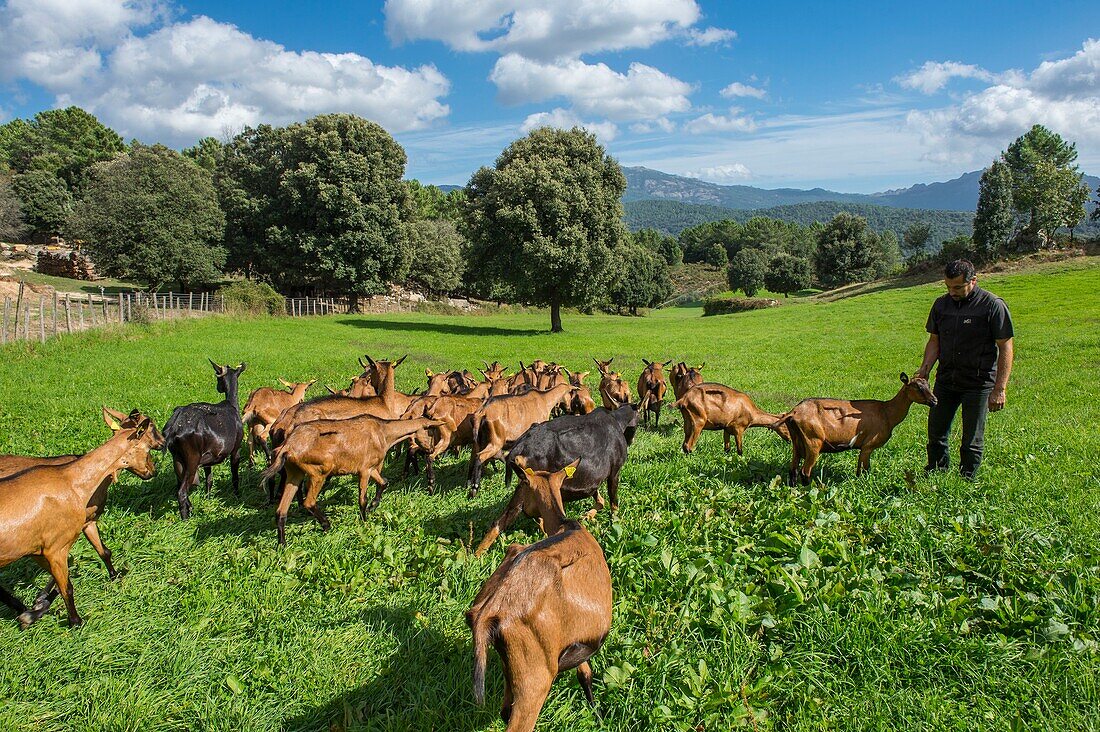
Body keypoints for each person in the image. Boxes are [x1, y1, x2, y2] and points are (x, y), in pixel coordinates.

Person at [915, 259, 1014, 479]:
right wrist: (925, 368)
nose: (952, 292)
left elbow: (1005, 346)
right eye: (948, 287)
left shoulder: (991, 305)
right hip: (946, 380)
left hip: (978, 383)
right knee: (936, 432)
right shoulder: (941, 305)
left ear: (973, 281)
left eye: (958, 287)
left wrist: (1000, 388)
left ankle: (967, 478)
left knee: (972, 438)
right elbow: (934, 341)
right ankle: (937, 471)